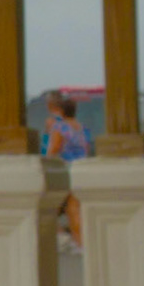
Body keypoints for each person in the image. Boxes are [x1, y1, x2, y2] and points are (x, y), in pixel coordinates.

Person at [42, 93, 92, 248]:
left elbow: (54, 149)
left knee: (48, 208)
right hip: (81, 170)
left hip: (65, 171)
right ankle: (80, 243)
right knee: (73, 208)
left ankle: (64, 237)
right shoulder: (81, 128)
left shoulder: (60, 127)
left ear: (60, 110)